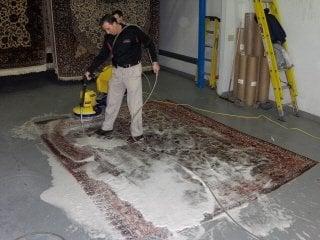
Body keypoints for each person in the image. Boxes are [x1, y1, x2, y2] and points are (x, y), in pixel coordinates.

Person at [85, 14, 160, 143]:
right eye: (105, 30)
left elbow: (149, 43)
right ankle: (107, 127)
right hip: (117, 71)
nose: (107, 32)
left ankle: (137, 134)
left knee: (134, 103)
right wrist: (90, 69)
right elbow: (103, 54)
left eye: (108, 28)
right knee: (112, 100)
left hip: (132, 71)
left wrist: (154, 61)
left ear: (115, 23)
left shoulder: (133, 31)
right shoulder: (109, 37)